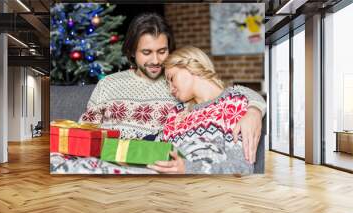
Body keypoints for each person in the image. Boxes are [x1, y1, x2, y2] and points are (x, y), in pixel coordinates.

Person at [78, 13, 266, 166]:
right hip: (105, 158)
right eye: (146, 52)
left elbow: (223, 94)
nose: (155, 61)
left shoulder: (180, 88)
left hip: (150, 164)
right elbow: (84, 132)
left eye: (162, 51)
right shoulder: (108, 84)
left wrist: (255, 110)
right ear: (132, 52)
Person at [148, 46, 265, 174]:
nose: (170, 89)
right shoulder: (176, 113)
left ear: (190, 67)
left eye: (171, 78)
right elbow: (153, 155)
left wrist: (188, 169)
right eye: (167, 83)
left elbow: (242, 168)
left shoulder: (233, 104)